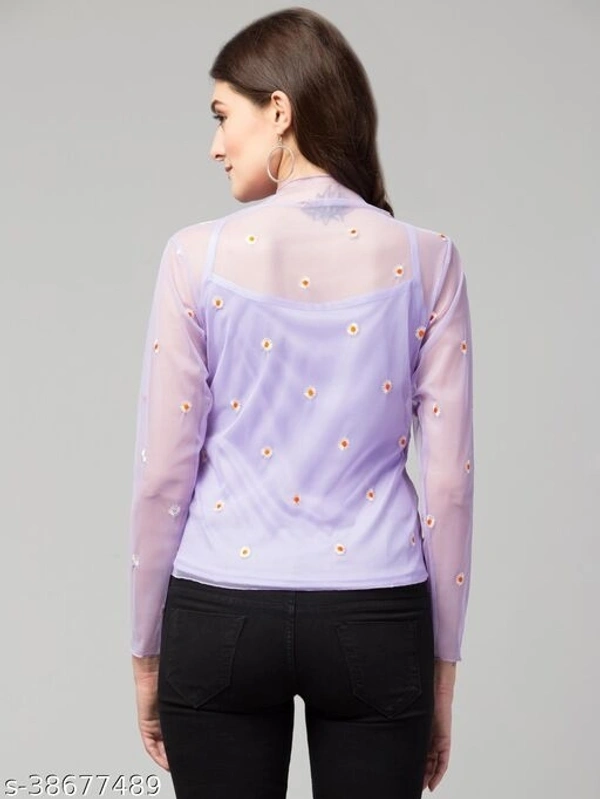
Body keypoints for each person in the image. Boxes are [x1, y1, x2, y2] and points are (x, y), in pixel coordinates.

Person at [129, 7, 474, 798]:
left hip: (219, 612)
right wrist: (442, 671)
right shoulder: (430, 260)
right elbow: (449, 487)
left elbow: (160, 477)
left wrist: (146, 652)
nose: (216, 145)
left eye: (223, 116)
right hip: (377, 614)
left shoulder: (195, 257)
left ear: (279, 110)